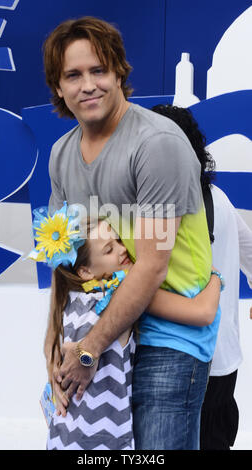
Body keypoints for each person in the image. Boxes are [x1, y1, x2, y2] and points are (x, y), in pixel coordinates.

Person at [43, 17, 222, 450]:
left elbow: (152, 265)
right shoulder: (60, 155)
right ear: (59, 88)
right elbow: (61, 264)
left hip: (165, 337)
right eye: (73, 75)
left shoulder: (157, 144)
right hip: (101, 335)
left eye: (99, 70)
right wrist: (53, 345)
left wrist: (88, 350)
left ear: (120, 73)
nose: (88, 85)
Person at [29, 202, 221, 450]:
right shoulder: (117, 298)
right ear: (85, 271)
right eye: (109, 250)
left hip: (62, 438)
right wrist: (216, 276)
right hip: (104, 441)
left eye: (119, 241)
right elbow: (202, 312)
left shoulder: (70, 300)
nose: (123, 250)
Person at [152, 104, 252, 450]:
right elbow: (250, 250)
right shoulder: (218, 198)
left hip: (181, 361)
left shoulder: (164, 208)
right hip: (224, 358)